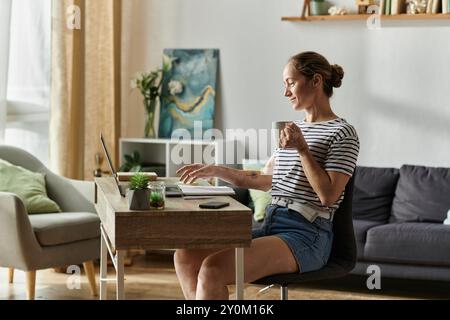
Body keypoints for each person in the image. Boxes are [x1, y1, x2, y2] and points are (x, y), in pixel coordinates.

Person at [175, 51, 360, 300]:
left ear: (316, 81)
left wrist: (302, 149)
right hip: (272, 225)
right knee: (185, 256)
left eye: (291, 83)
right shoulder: (294, 130)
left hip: (307, 235)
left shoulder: (343, 133)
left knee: (213, 269)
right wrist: (217, 169)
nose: (286, 93)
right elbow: (262, 180)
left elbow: (328, 196)